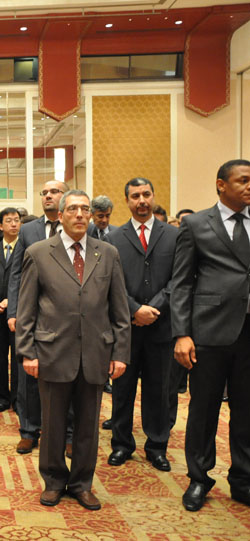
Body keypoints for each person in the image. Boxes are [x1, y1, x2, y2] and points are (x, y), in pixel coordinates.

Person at [16, 189, 130, 511]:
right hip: (52, 352)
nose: (80, 214)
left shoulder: (107, 253)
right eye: (73, 209)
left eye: (85, 209)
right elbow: (26, 309)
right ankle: (53, 481)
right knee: (51, 423)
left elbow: (120, 309)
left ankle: (82, 483)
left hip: (96, 352)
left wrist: (120, 353)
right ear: (62, 215)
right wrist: (27, 351)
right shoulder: (39, 252)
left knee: (88, 425)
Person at [172, 160, 250, 512]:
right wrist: (182, 334)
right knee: (203, 411)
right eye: (243, 180)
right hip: (209, 331)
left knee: (247, 410)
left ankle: (244, 479)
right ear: (221, 185)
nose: (249, 186)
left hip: (249, 332)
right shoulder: (195, 224)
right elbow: (181, 284)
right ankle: (199, 479)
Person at [106, 178, 178, 472]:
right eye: (135, 196)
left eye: (146, 194)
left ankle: (157, 446)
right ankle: (122, 444)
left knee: (159, 391)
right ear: (127, 201)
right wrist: (135, 309)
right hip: (127, 328)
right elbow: (111, 283)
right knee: (122, 390)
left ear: (153, 196)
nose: (141, 200)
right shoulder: (113, 238)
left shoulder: (174, 235)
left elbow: (181, 279)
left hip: (162, 327)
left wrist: (155, 307)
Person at [7, 180, 68, 455]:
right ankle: (29, 430)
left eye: (53, 192)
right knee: (28, 374)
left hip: (67, 313)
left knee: (67, 375)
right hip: (32, 312)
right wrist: (14, 311)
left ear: (65, 196)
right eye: (43, 192)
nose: (47, 196)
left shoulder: (78, 226)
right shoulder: (29, 229)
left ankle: (67, 433)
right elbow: (16, 273)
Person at [0, 207, 21, 412]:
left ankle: (18, 398)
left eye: (17, 220)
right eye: (9, 221)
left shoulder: (26, 249)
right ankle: (2, 397)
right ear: (0, 226)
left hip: (18, 313)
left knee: (18, 359)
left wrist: (12, 301)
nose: (14, 224)